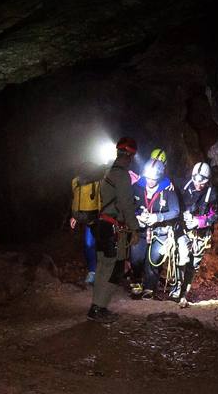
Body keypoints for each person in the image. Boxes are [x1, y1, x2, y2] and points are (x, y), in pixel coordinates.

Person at [87, 137, 140, 322]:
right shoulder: (122, 175)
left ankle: (95, 307)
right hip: (114, 228)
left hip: (102, 225)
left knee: (102, 267)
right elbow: (126, 205)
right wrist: (135, 229)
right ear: (130, 155)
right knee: (114, 269)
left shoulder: (106, 172)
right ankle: (99, 309)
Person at [171, 161, 218, 307]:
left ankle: (184, 293)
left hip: (201, 234)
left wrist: (200, 221)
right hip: (183, 229)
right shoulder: (184, 186)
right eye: (195, 180)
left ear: (208, 180)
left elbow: (216, 214)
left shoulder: (212, 194)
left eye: (202, 182)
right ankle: (177, 288)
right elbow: (167, 179)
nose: (198, 184)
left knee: (193, 264)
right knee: (182, 256)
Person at [129, 152, 180, 299]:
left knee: (154, 260)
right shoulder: (138, 187)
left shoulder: (167, 189)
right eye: (148, 178)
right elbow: (129, 205)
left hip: (160, 232)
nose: (150, 181)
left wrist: (158, 217)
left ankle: (150, 287)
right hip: (141, 230)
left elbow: (175, 211)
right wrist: (137, 216)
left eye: (154, 178)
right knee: (136, 258)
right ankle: (136, 281)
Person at [69, 161, 102, 284]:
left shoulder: (77, 181)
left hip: (94, 218)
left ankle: (97, 272)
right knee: (90, 245)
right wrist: (75, 216)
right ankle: (93, 272)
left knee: (94, 245)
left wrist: (75, 216)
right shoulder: (77, 182)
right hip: (91, 218)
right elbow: (77, 199)